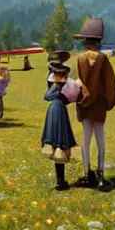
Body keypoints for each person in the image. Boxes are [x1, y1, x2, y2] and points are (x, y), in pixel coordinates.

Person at [73, 17, 115, 192]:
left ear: (86, 42)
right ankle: (101, 176)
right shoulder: (103, 60)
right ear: (98, 43)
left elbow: (80, 82)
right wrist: (113, 97)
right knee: (100, 140)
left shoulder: (80, 59)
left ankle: (87, 175)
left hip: (85, 105)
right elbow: (109, 85)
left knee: (86, 140)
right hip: (100, 105)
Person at [41, 51, 77, 190]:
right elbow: (47, 95)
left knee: (57, 143)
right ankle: (60, 181)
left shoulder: (53, 78)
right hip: (58, 111)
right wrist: (62, 97)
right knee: (60, 143)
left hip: (55, 111)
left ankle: (60, 180)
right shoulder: (57, 82)